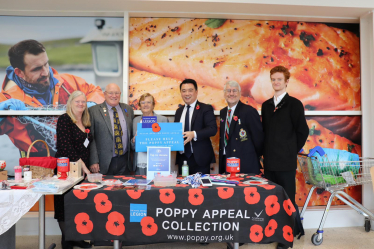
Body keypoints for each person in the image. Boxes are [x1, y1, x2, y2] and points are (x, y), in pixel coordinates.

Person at [0, 39, 104, 158]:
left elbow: (95, 91)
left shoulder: (69, 82)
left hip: (77, 157)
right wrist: (1, 114)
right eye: (36, 69)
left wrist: (91, 103)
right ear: (19, 73)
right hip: (38, 167)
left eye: (46, 64)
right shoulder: (7, 100)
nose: (45, 72)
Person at [261, 66, 309, 249]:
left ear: (287, 81)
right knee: (272, 200)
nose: (276, 82)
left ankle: (286, 238)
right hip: (270, 161)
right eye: (273, 79)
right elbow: (264, 132)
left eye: (279, 79)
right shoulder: (266, 105)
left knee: (287, 200)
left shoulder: (295, 104)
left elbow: (302, 131)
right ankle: (276, 231)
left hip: (286, 162)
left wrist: (291, 150)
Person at [55, 90, 92, 249]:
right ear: (70, 102)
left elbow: (88, 147)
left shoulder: (86, 121)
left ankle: (75, 237)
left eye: (83, 101)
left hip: (81, 171)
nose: (80, 104)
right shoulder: (64, 120)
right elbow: (66, 147)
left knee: (78, 204)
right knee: (64, 205)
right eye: (77, 101)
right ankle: (66, 240)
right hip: (66, 170)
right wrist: (84, 166)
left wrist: (88, 166)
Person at [219, 80, 264, 174]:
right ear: (224, 94)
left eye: (234, 91)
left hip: (245, 165)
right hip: (227, 163)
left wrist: (251, 156)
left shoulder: (249, 111)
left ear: (240, 93)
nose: (231, 94)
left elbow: (259, 139)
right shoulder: (223, 112)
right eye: (228, 91)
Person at [89, 83, 134, 175]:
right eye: (111, 93)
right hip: (103, 162)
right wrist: (93, 161)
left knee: (124, 188)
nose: (114, 96)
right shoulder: (93, 111)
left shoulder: (128, 109)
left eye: (117, 93)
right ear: (104, 94)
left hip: (125, 161)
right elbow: (91, 138)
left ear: (120, 94)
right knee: (104, 189)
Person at [174, 79, 217, 175]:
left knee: (202, 189)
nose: (187, 94)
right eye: (184, 91)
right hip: (182, 158)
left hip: (200, 159)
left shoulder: (205, 108)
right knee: (182, 188)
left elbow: (212, 129)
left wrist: (193, 134)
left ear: (196, 92)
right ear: (180, 93)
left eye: (190, 90)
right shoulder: (179, 111)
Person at [131, 93, 169, 174]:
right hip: (140, 162)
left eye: (148, 102)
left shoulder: (162, 120)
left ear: (153, 105)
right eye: (143, 103)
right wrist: (134, 140)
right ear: (139, 106)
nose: (146, 105)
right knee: (141, 186)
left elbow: (167, 142)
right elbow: (132, 146)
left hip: (157, 162)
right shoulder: (135, 121)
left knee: (156, 186)